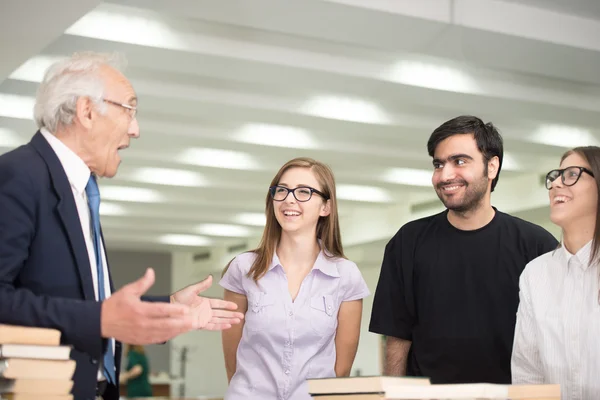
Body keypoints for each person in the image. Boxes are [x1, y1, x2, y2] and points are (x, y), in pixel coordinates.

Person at [0, 52, 244, 400]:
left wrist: (167, 308)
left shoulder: (80, 190)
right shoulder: (17, 175)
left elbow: (82, 299)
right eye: (128, 109)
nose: (136, 129)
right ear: (86, 111)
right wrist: (100, 318)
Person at [369, 115, 558, 384]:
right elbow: (397, 336)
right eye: (438, 164)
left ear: (492, 167)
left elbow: (552, 338)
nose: (445, 175)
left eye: (459, 161)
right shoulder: (407, 242)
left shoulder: (536, 245)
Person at [220, 157, 370, 400]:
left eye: (304, 192)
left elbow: (340, 370)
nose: (289, 198)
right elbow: (232, 362)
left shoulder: (345, 275)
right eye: (282, 190)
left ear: (326, 207)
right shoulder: (243, 268)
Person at [512, 146, 600, 400]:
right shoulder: (535, 274)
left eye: (572, 174)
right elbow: (528, 375)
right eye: (556, 176)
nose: (557, 184)